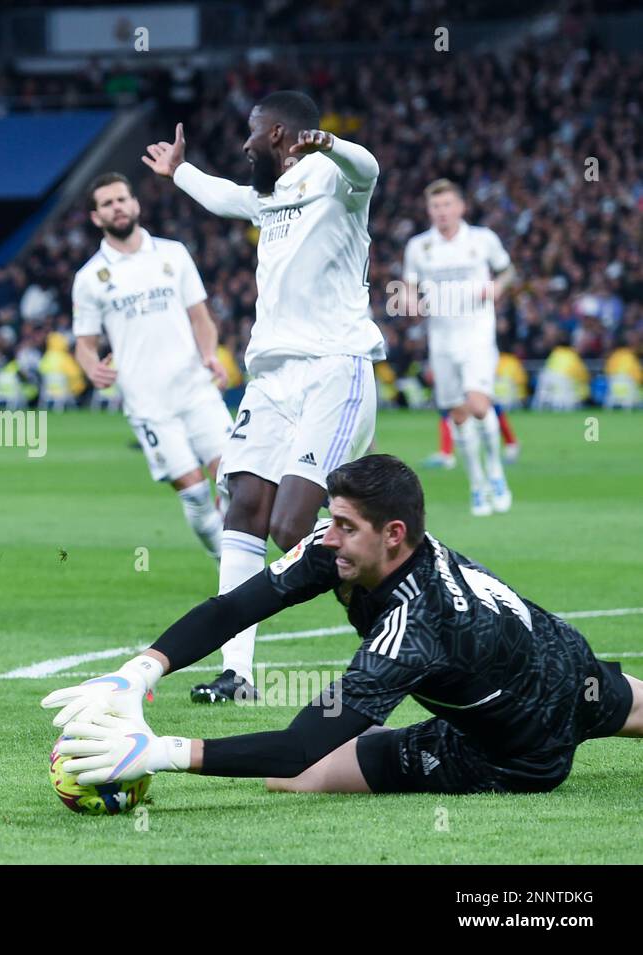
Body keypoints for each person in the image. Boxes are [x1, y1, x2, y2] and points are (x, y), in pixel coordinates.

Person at [43, 454, 642, 794]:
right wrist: (140, 670)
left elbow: (297, 749)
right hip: (570, 663)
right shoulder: (341, 549)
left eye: (346, 526)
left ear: (395, 535)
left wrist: (162, 752)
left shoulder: (415, 629)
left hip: (517, 751)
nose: (328, 536)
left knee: (293, 783)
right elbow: (234, 608)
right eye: (330, 519)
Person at [143, 91, 383, 701]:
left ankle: (396, 582)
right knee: (243, 506)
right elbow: (227, 196)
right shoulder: (269, 197)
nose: (244, 145)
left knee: (291, 527)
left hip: (335, 368)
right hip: (271, 377)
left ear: (278, 133)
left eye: (251, 135)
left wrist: (328, 142)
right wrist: (180, 172)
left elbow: (369, 168)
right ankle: (238, 672)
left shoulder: (334, 179)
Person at [72, 172, 233, 558]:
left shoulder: (173, 254)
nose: (118, 207)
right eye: (108, 203)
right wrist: (93, 369)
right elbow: (85, 344)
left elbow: (201, 318)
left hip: (196, 389)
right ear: (97, 217)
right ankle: (225, 565)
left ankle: (235, 564)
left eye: (123, 199)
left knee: (235, 480)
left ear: (136, 204)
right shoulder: (90, 278)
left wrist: (209, 354)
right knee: (195, 493)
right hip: (148, 404)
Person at [404, 179, 516, 515]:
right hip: (441, 338)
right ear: (429, 211)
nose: (442, 212)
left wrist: (497, 287)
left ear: (461, 207)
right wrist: (411, 302)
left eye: (448, 205)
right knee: (458, 413)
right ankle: (478, 484)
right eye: (436, 207)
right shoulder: (419, 247)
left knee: (479, 404)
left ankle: (496, 472)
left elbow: (507, 270)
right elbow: (409, 285)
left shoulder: (482, 240)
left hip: (477, 335)